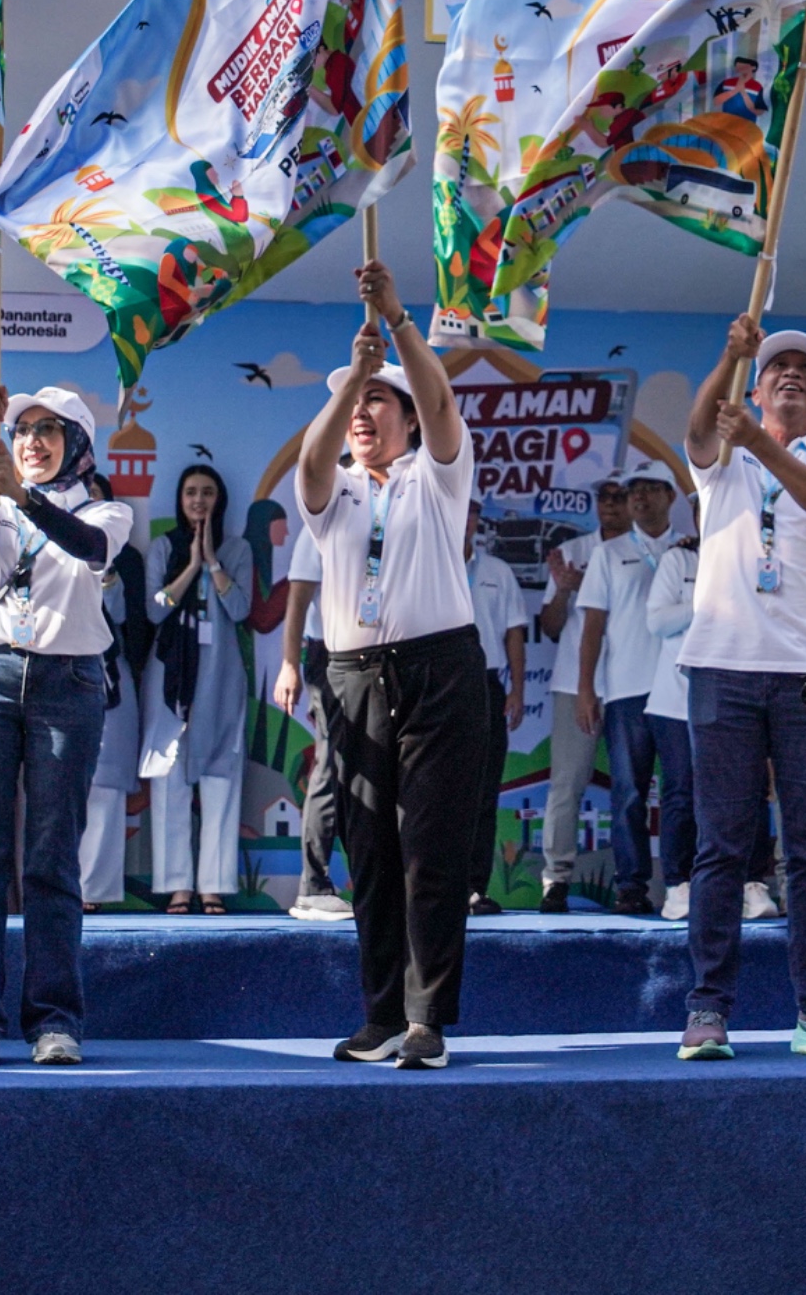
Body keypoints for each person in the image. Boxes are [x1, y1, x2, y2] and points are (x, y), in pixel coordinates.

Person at [299, 258, 489, 1072]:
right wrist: (353, 379)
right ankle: (378, 1014)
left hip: (440, 671)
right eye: (354, 403)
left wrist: (399, 323)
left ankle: (426, 1019)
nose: (365, 411)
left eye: (379, 399)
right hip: (352, 676)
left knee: (431, 850)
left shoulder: (437, 477)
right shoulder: (335, 489)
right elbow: (307, 465)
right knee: (369, 850)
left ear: (406, 419)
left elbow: (442, 401)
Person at [675, 320, 806, 1063]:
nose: (791, 375)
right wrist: (729, 353)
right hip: (724, 666)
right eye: (776, 367)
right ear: (753, 391)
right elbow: (697, 436)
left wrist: (762, 445)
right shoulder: (724, 452)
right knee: (721, 848)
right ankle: (707, 1010)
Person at [0, 381, 132, 1067]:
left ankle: (54, 1020)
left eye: (49, 431)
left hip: (67, 684)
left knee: (51, 859)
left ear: (76, 444)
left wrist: (23, 498)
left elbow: (86, 547)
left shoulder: (108, 510)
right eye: (22, 431)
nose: (33, 442)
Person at [576, 459, 688, 916]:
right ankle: (631, 885)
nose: (639, 497)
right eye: (632, 491)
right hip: (625, 689)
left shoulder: (691, 550)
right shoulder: (608, 553)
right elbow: (592, 627)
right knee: (628, 792)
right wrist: (587, 689)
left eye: (649, 489)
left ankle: (684, 882)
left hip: (681, 690)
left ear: (671, 496)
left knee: (684, 790)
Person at [146, 464, 253, 916]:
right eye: (191, 492)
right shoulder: (162, 547)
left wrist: (212, 561)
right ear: (180, 499)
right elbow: (154, 612)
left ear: (220, 500)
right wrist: (191, 566)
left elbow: (241, 607)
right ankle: (177, 888)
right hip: (170, 680)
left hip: (221, 677)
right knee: (170, 778)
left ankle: (213, 885)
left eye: (208, 493)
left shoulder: (238, 548)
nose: (199, 501)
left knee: (220, 776)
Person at [537, 478, 632, 912]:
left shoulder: (647, 549)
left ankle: (634, 882)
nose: (609, 505)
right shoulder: (572, 551)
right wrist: (564, 588)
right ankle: (555, 879)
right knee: (568, 782)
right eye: (602, 498)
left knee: (633, 787)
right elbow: (552, 627)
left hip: (633, 683)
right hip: (574, 683)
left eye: (618, 498)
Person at [81, 473, 154, 910]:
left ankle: (95, 892)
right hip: (58, 675)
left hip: (111, 675)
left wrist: (107, 577)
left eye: (96, 496)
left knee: (106, 786)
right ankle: (59, 888)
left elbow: (130, 624)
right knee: (61, 785)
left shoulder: (125, 559)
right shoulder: (43, 544)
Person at [274, 527, 352, 921]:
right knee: (331, 765)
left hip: (374, 653)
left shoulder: (386, 521)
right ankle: (314, 886)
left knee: (368, 771)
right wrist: (291, 666)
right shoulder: (319, 530)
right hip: (331, 655)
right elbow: (297, 604)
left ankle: (375, 882)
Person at [463, 502, 528, 913]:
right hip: (437, 685)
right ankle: (428, 888)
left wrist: (517, 691)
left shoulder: (497, 571)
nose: (463, 519)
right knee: (434, 794)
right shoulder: (424, 563)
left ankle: (473, 888)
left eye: (471, 513)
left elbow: (515, 634)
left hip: (486, 686)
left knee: (483, 791)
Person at [642, 530, 702, 920]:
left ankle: (743, 882)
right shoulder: (678, 560)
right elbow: (658, 621)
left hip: (731, 697)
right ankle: (678, 885)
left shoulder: (751, 555)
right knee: (679, 793)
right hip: (673, 701)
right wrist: (705, 604)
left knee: (737, 794)